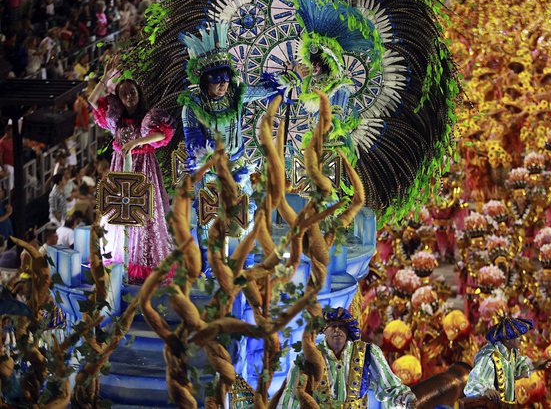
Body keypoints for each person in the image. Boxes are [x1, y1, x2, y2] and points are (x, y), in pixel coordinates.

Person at [179, 22, 291, 273]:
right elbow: (193, 141)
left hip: (238, 166)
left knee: (246, 216)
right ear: (204, 81)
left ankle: (244, 265)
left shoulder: (236, 96)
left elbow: (267, 90)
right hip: (208, 170)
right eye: (216, 79)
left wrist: (291, 77)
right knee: (208, 220)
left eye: (226, 78)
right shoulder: (192, 106)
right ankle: (209, 269)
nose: (223, 84)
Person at [89, 57, 176, 283]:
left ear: (138, 93)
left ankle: (144, 263)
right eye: (124, 93)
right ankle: (121, 261)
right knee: (119, 214)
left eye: (132, 92)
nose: (129, 96)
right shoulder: (115, 119)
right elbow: (92, 100)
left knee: (144, 215)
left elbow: (162, 134)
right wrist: (105, 77)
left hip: (143, 168)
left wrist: (137, 143)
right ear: (119, 97)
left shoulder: (148, 117)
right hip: (121, 168)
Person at [275, 307, 417, 408]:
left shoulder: (368, 352)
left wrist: (405, 398)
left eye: (342, 326)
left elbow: (389, 387)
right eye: (332, 326)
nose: (337, 330)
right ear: (324, 331)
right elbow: (292, 396)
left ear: (349, 331)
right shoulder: (308, 358)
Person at [463, 316, 551, 403]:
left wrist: (535, 365)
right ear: (508, 339)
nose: (521, 339)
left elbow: (516, 370)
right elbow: (474, 382)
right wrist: (485, 390)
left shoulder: (511, 354)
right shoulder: (490, 357)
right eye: (518, 336)